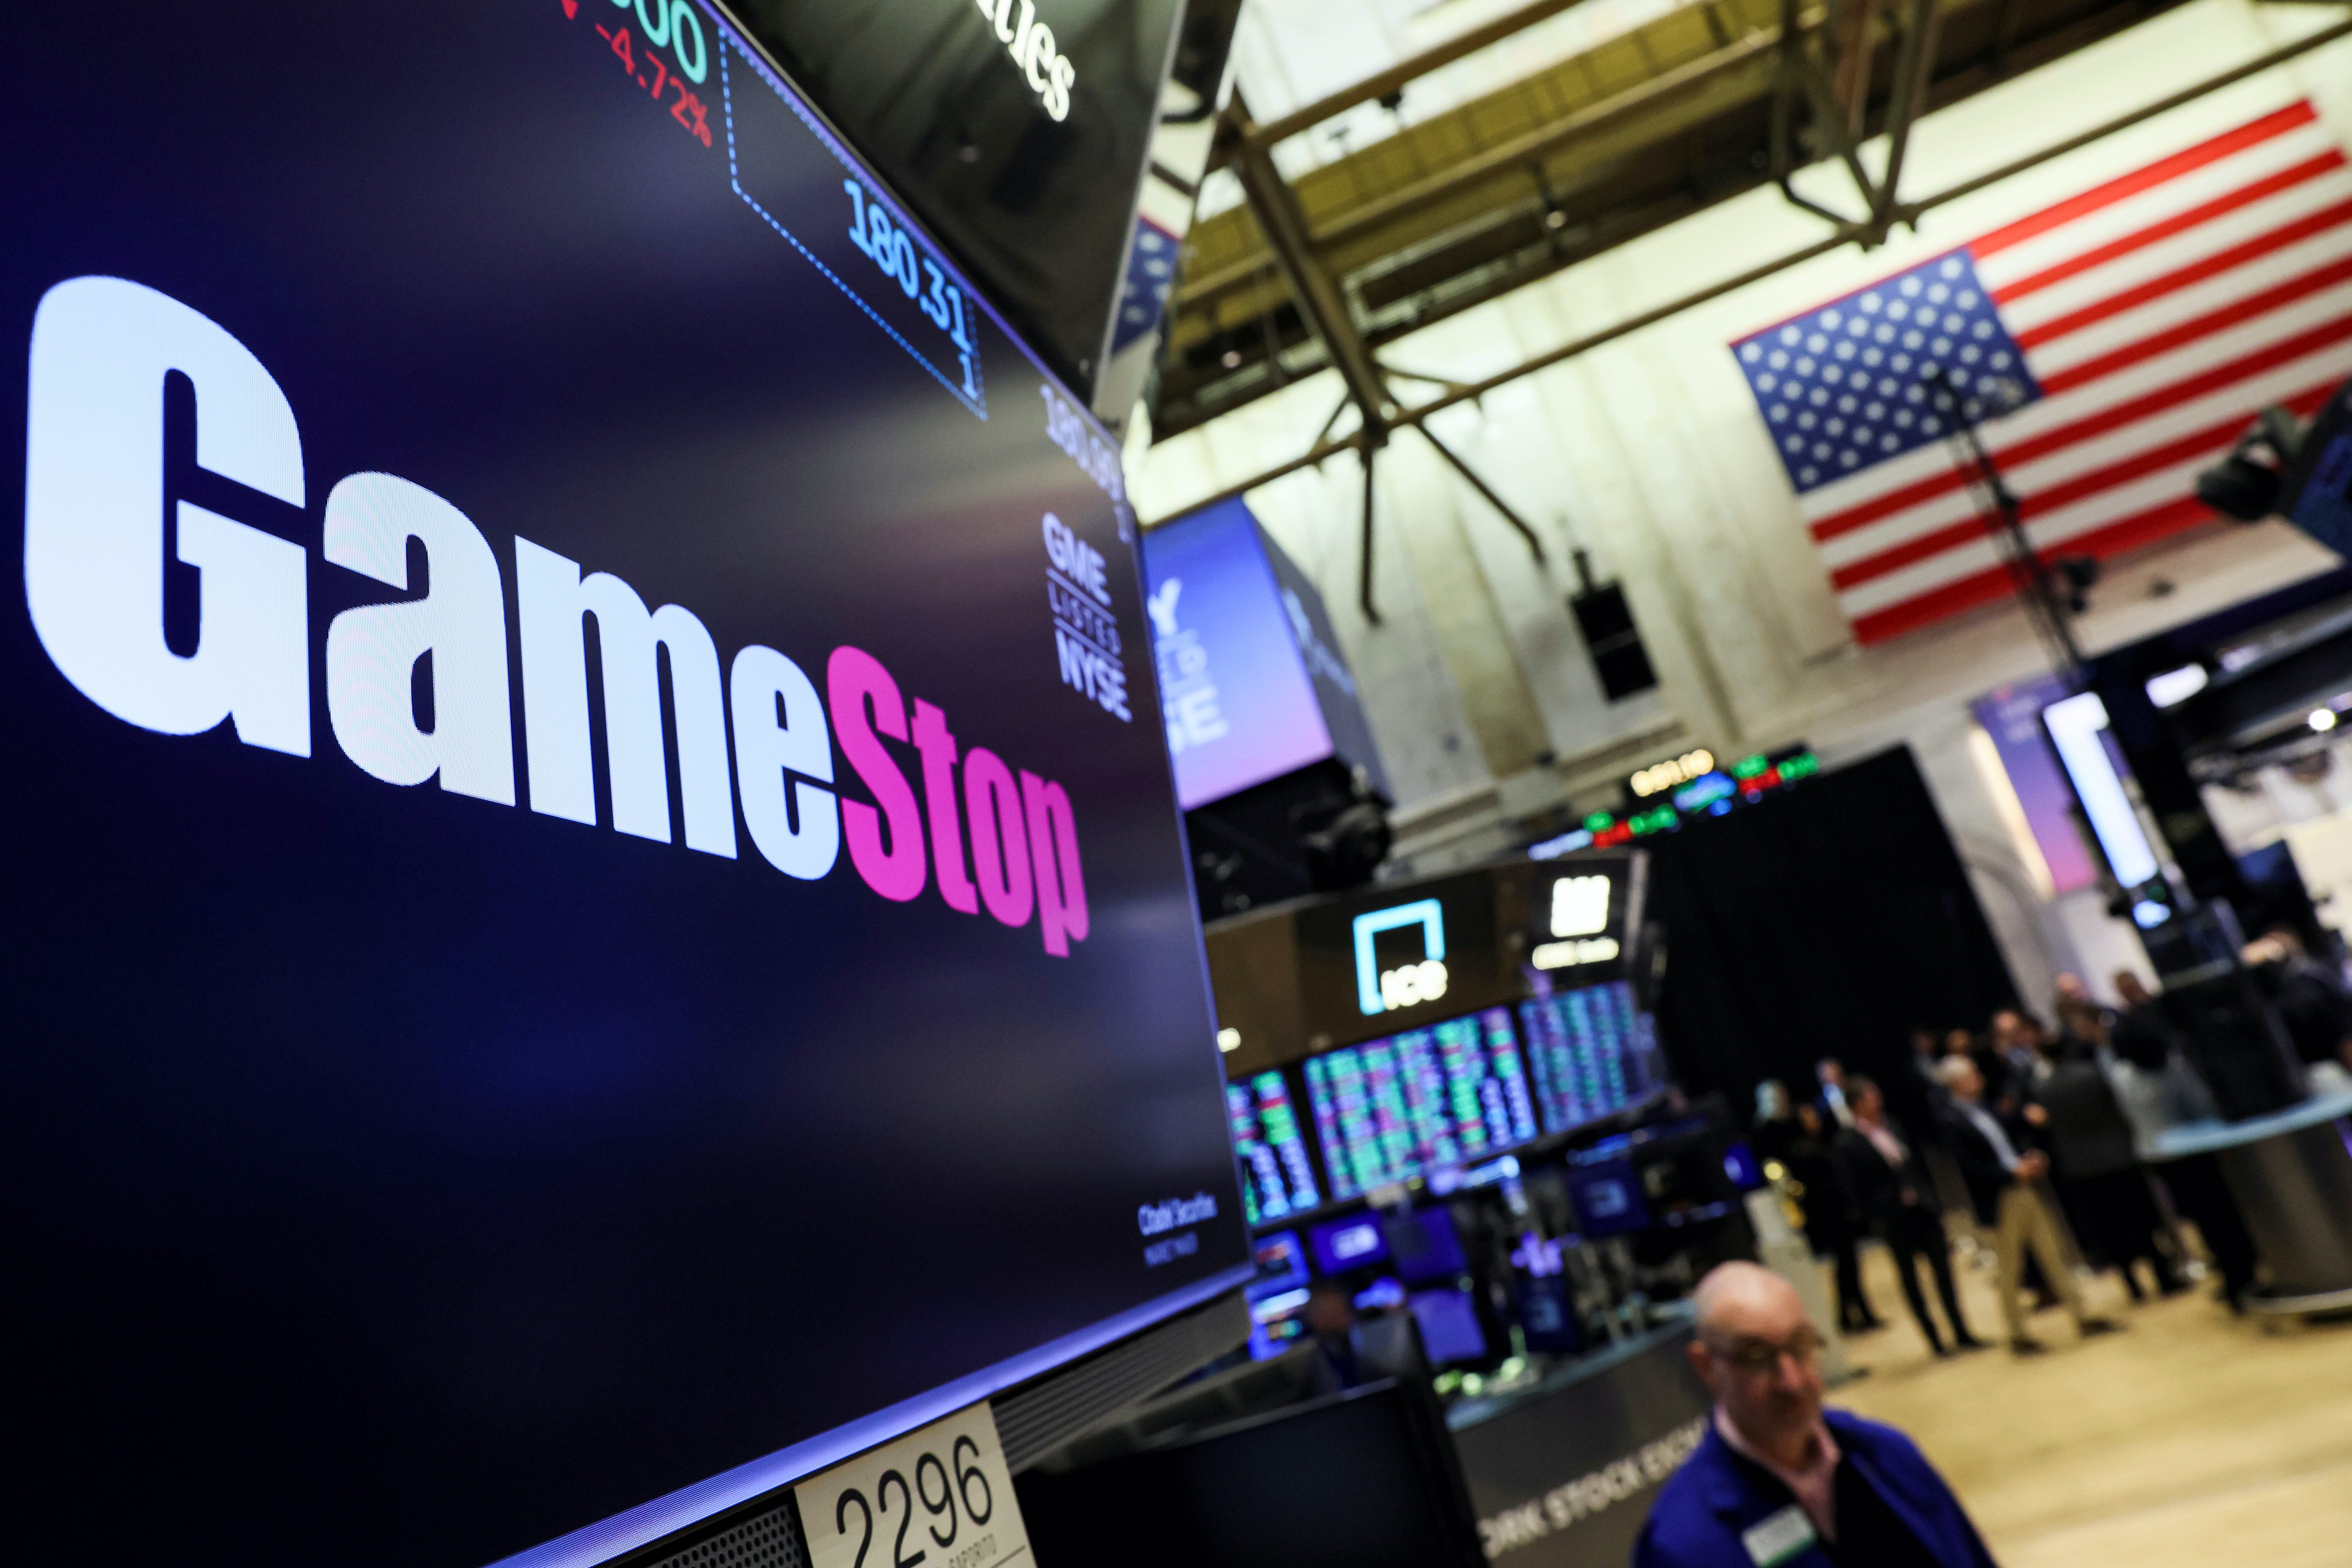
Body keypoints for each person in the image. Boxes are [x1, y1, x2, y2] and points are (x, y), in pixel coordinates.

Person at [1634, 1262, 2000, 1568]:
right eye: (1757, 1356)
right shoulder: (1681, 1543)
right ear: (1706, 1367)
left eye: (1800, 1346)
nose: (1790, 1381)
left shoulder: (1887, 1453)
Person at [1935, 1057, 2120, 1354]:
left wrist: (2027, 1159)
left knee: (2053, 1253)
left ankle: (2083, 1316)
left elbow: (2006, 1145)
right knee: (2010, 1269)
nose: (1979, 1078)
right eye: (1972, 1074)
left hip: (2024, 1190)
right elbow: (1971, 1168)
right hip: (2000, 1200)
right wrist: (2011, 1172)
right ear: (1956, 1083)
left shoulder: (1986, 1108)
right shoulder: (1951, 1120)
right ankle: (2017, 1334)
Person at [1830, 1077, 1984, 1356]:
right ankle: (1935, 1341)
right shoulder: (1846, 1143)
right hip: (1895, 1221)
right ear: (1856, 1106)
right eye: (1870, 1098)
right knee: (1911, 1281)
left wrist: (1928, 1198)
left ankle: (1961, 1332)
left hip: (1923, 1211)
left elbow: (1914, 1166)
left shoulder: (1893, 1126)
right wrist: (1883, 1211)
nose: (1877, 1102)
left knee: (1944, 1273)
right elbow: (1853, 1191)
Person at [1786, 1101, 1881, 1335]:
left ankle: (1857, 1315)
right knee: (1845, 1268)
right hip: (1830, 1218)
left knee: (1849, 1267)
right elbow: (1819, 1188)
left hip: (1838, 1215)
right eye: (1809, 1118)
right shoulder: (1804, 1151)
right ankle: (1849, 1317)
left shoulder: (1821, 1144)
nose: (1815, 1121)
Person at [1815, 1058, 1855, 1128]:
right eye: (1827, 1072)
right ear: (1821, 1076)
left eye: (1834, 1070)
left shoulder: (1853, 1090)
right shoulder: (1820, 1103)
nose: (1833, 1074)